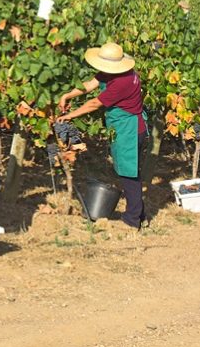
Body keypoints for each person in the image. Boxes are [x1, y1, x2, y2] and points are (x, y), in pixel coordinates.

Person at [57, 42, 148, 230]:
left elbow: (94, 103)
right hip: (124, 127)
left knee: (128, 174)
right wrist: (68, 95)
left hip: (129, 128)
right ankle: (141, 215)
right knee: (129, 170)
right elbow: (89, 85)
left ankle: (133, 220)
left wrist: (69, 115)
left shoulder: (122, 82)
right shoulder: (114, 72)